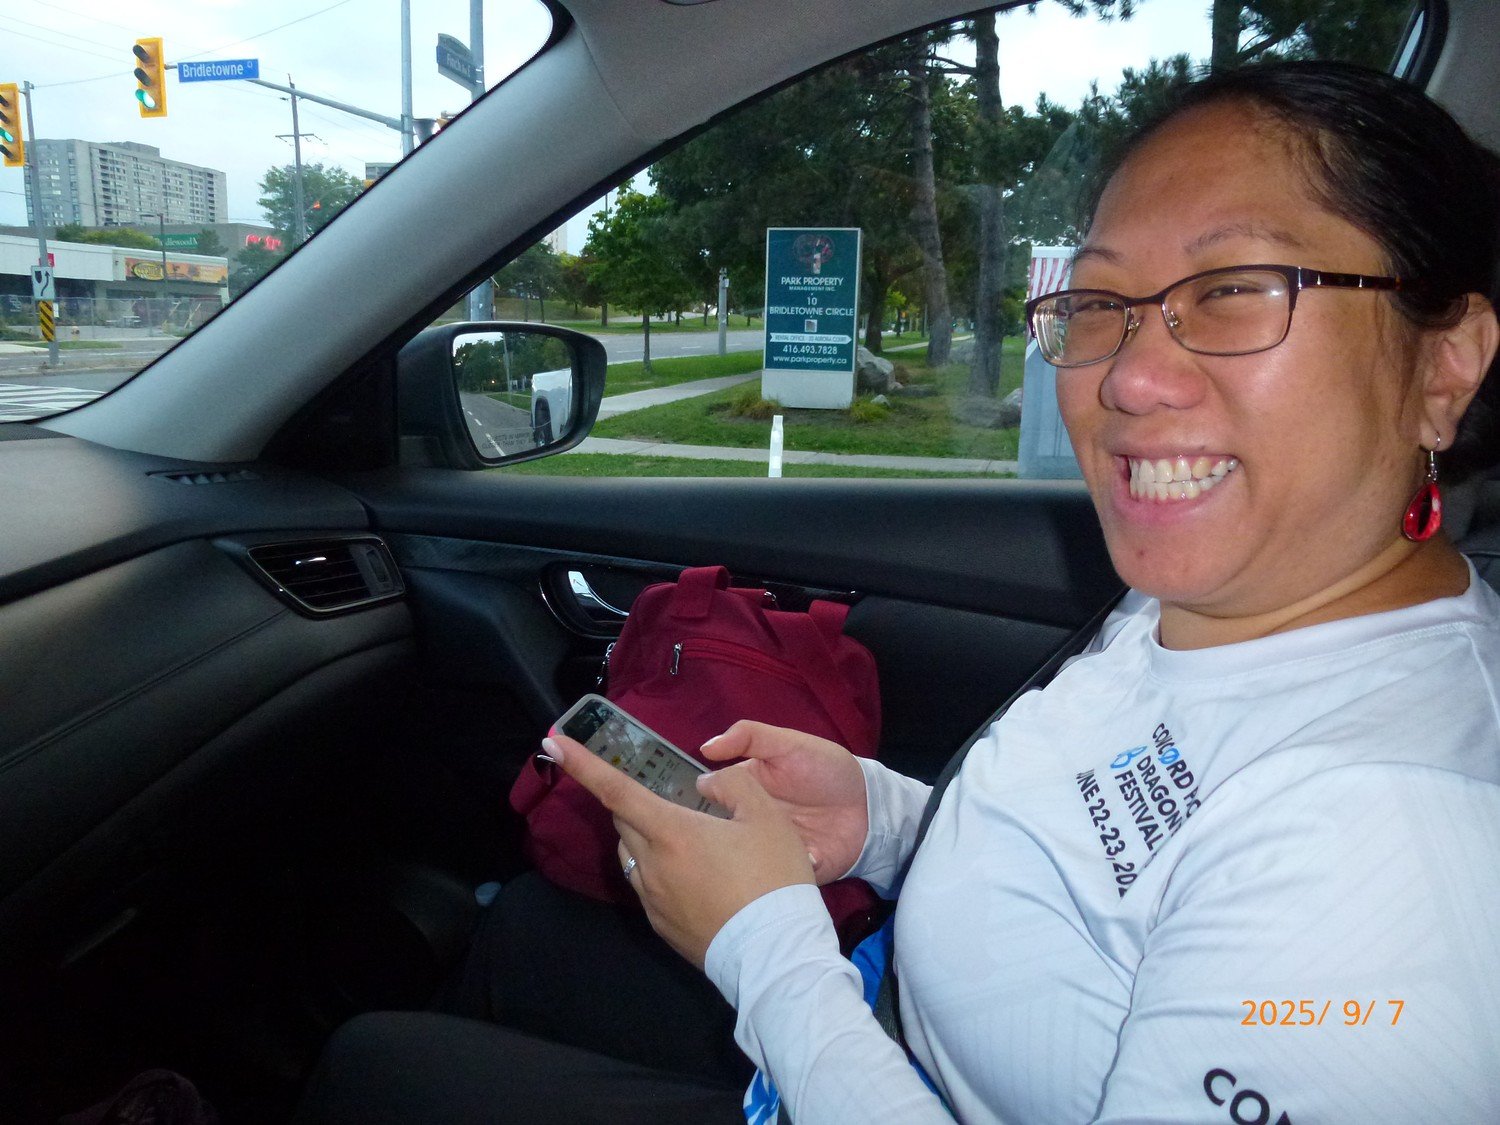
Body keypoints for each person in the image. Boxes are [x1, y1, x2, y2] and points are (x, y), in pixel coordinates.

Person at [296, 59, 1500, 1124]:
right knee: (522, 936)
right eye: (1099, 304)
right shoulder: (1227, 593)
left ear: (1446, 365)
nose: (1130, 378)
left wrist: (767, 951)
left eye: (1233, 287)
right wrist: (879, 820)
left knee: (375, 1070)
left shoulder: (1398, 860)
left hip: (864, 1051)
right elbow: (1120, 874)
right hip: (889, 1018)